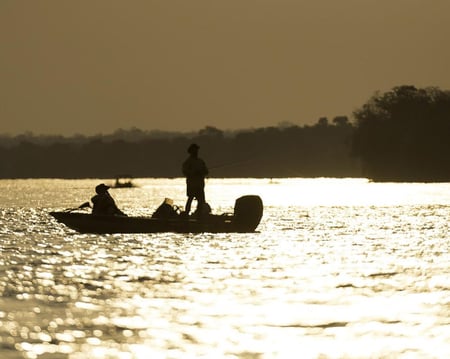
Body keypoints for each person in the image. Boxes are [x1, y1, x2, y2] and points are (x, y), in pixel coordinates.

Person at [182, 143, 209, 216]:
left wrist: (202, 172)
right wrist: (193, 173)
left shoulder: (201, 161)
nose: (196, 152)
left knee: (201, 201)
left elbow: (206, 171)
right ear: (191, 151)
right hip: (192, 185)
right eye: (195, 150)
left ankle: (200, 214)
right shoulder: (188, 162)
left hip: (200, 185)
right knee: (190, 199)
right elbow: (185, 172)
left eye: (197, 150)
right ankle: (186, 213)